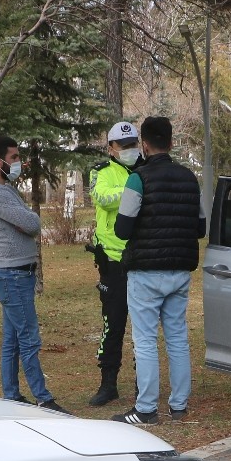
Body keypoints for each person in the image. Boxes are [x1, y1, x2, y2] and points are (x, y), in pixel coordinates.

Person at [111, 116, 205, 426]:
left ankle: (147, 409)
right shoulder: (190, 179)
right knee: (177, 338)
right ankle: (179, 406)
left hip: (145, 272)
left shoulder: (138, 178)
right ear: (171, 140)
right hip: (180, 271)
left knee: (146, 340)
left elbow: (123, 229)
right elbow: (201, 227)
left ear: (145, 145)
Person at [0, 136, 66, 412]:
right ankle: (43, 398)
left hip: (13, 273)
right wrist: (26, 222)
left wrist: (25, 222)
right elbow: (32, 222)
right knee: (28, 338)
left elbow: (26, 223)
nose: (19, 163)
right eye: (14, 158)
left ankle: (12, 396)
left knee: (12, 339)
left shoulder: (2, 188)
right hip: (13, 275)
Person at [84, 121, 140, 406]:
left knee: (143, 327)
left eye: (134, 144)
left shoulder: (146, 168)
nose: (130, 150)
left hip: (142, 257)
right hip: (113, 260)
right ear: (111, 148)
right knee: (113, 323)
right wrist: (136, 192)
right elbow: (103, 199)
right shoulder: (101, 171)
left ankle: (144, 382)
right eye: (124, 146)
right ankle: (108, 383)